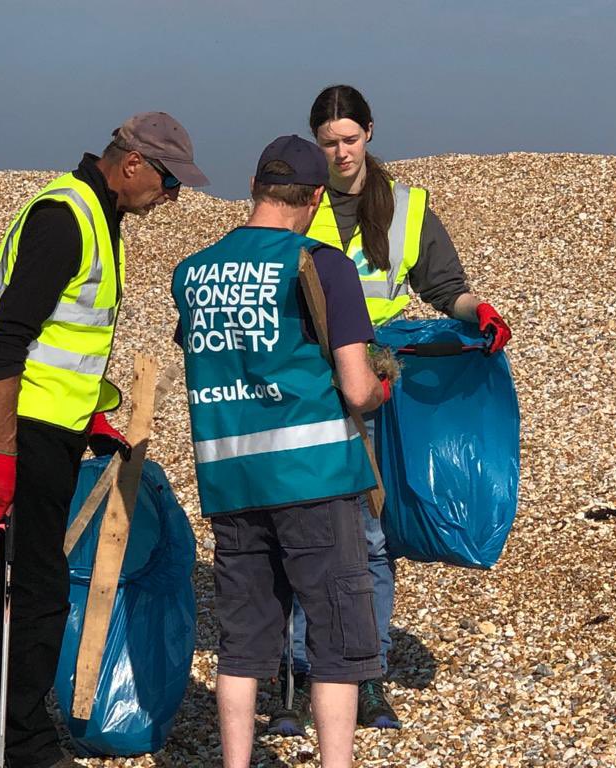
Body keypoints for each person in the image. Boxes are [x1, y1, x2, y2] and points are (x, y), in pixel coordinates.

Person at [0, 112, 209, 768]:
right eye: (168, 179)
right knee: (37, 586)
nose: (172, 194)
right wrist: (4, 457)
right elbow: (6, 340)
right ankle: (24, 742)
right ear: (132, 164)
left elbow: (67, 341)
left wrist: (92, 417)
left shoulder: (100, 213)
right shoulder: (66, 219)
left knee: (10, 575)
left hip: (52, 420)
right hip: (24, 425)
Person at [276, 84, 514, 734]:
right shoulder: (300, 203)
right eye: (328, 143)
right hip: (307, 389)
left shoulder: (406, 208)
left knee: (372, 540)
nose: (341, 152)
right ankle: (296, 676)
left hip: (375, 391)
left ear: (371, 134)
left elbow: (444, 287)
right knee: (307, 536)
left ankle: (368, 677)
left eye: (350, 139)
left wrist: (479, 313)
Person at [172, 135, 389, 768]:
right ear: (316, 197)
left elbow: (206, 355)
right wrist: (384, 382)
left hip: (232, 480)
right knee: (337, 638)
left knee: (241, 643)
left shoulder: (194, 271)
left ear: (256, 189)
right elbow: (356, 385)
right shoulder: (320, 263)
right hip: (315, 474)